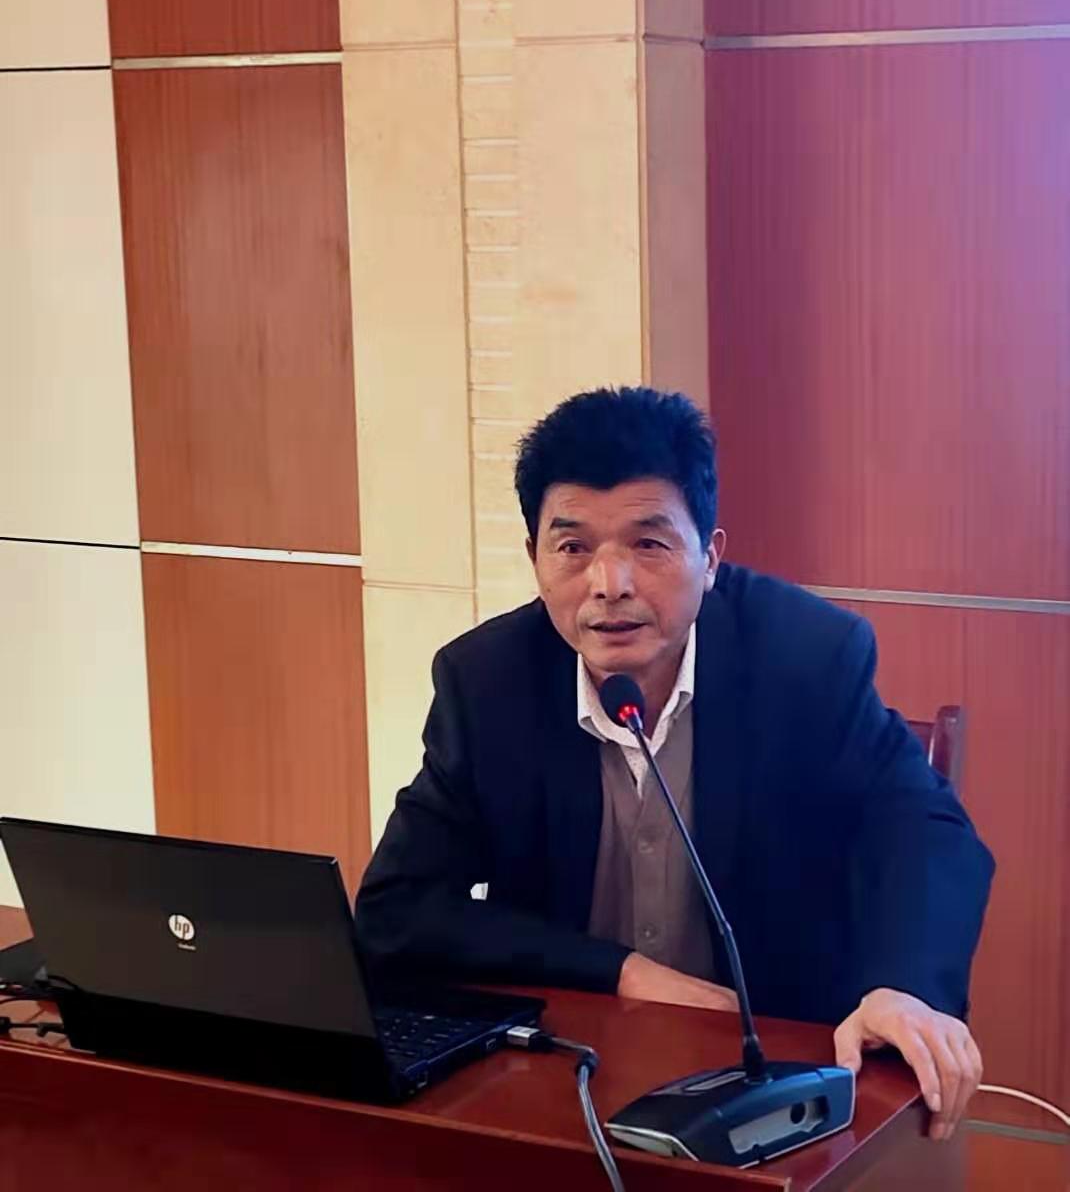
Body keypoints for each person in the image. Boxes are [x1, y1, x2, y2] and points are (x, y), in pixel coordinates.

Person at [356, 387, 994, 1141]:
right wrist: (617, 970)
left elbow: (926, 829)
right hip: (569, 1082)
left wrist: (905, 987)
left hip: (778, 1078)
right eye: (573, 548)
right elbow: (397, 911)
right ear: (534, 559)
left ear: (710, 556)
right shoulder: (487, 682)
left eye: (649, 545)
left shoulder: (805, 657)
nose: (610, 584)